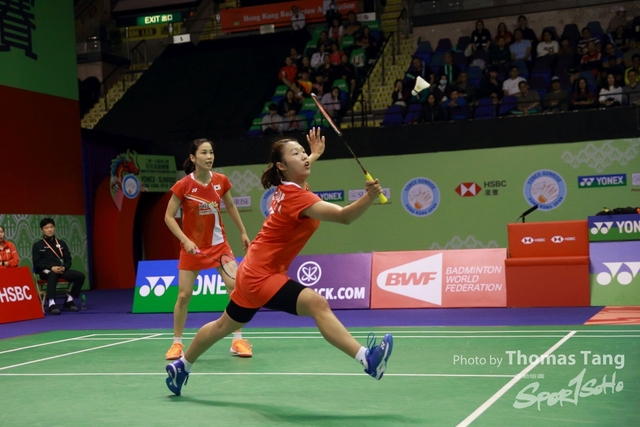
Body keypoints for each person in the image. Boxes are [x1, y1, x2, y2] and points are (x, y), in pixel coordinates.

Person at [165, 129, 394, 396]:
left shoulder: (289, 187)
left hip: (253, 270)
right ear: (282, 166)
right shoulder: (297, 197)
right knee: (317, 304)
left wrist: (313, 155)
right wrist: (369, 197)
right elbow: (344, 216)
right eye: (296, 153)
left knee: (223, 325)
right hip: (261, 274)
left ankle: (182, 366)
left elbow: (295, 169)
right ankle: (368, 359)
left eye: (303, 152)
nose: (304, 157)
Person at [164, 138, 252, 361]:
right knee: (183, 295)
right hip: (192, 248)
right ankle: (177, 343)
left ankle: (238, 340)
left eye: (211, 152)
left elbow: (230, 206)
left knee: (236, 289)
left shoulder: (221, 181)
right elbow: (168, 217)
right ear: (193, 158)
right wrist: (185, 240)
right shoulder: (183, 185)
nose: (209, 157)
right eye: (204, 153)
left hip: (219, 246)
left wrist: (242, 231)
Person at [32, 218, 85, 315]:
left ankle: (69, 300)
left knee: (80, 276)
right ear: (42, 230)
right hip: (46, 271)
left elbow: (68, 260)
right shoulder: (37, 245)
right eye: (46, 228)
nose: (50, 229)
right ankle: (52, 304)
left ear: (54, 228)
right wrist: (51, 268)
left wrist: (64, 267)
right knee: (52, 274)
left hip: (61, 270)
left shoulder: (61, 243)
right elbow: (37, 263)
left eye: (51, 227)